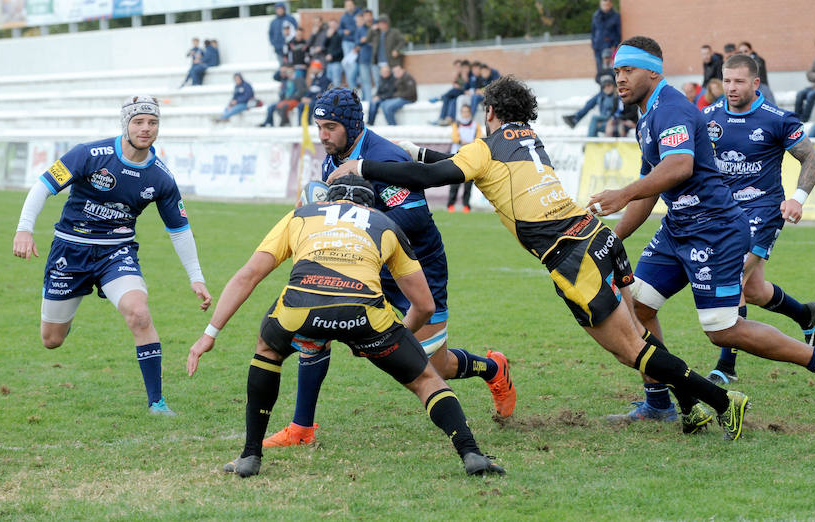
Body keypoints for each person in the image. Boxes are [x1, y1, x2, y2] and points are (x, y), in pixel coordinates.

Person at [328, 76, 754, 441]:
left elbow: (438, 176)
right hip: (598, 237)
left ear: (490, 111)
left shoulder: (486, 147)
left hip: (570, 255)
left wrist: (363, 167)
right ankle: (689, 408)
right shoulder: (527, 140)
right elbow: (471, 169)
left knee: (631, 350)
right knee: (639, 336)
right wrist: (418, 152)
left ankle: (721, 401)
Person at [585, 36, 815, 424]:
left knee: (721, 328)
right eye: (617, 71)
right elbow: (652, 185)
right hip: (678, 226)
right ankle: (658, 401)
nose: (620, 78)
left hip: (715, 229)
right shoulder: (647, 116)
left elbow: (679, 168)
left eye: (629, 70)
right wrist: (612, 238)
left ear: (653, 71)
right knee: (637, 305)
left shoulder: (671, 107)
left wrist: (621, 194)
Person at [186, 174, 505, 478]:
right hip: (365, 313)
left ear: (330, 198)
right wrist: (397, 340)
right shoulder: (385, 224)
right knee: (425, 381)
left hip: (301, 308)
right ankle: (471, 453)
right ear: (370, 204)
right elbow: (424, 305)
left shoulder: (302, 215)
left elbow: (248, 275)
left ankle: (250, 455)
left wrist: (208, 335)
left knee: (267, 350)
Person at [262, 88, 514, 448]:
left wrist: (364, 221)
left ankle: (493, 369)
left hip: (416, 266)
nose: (323, 136)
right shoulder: (333, 157)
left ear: (351, 124)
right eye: (319, 127)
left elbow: (414, 217)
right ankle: (302, 428)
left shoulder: (386, 157)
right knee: (315, 329)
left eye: (330, 127)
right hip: (364, 265)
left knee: (433, 366)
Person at [12, 96, 212, 416]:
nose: (146, 128)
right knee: (52, 340)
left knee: (139, 313)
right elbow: (43, 186)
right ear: (126, 125)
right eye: (139, 122)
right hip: (70, 249)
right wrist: (24, 229)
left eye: (152, 122)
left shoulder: (160, 177)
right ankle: (66, 303)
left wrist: (196, 277)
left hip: (116, 252)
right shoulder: (89, 154)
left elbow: (179, 229)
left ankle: (156, 403)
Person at [702, 54, 815, 384]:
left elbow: (811, 160)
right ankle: (805, 313)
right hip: (725, 215)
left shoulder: (777, 119)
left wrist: (797, 199)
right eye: (727, 80)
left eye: (739, 81)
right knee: (755, 290)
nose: (731, 87)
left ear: (756, 83)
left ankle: (725, 367)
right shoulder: (708, 117)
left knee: (734, 275)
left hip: (763, 211)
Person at [447, 104, 484, 212]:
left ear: (470, 113)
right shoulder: (457, 124)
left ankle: (466, 205)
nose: (465, 114)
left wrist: (470, 144)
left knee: (468, 183)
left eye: (467, 112)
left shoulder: (475, 125)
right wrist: (463, 142)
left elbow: (479, 138)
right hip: (457, 155)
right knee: (454, 182)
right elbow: (454, 138)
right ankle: (451, 204)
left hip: (470, 156)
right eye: (463, 112)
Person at [431, 59, 470, 126]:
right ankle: (443, 119)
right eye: (456, 67)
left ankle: (440, 97)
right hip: (456, 95)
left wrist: (461, 85)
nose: (458, 68)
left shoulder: (467, 74)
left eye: (459, 66)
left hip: (462, 94)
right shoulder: (458, 75)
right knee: (450, 100)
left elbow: (466, 88)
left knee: (451, 93)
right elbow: (454, 84)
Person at [590, 0, 621, 80]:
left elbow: (618, 33)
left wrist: (615, 45)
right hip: (598, 47)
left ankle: (612, 86)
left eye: (607, 5)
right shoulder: (596, 15)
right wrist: (593, 44)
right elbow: (593, 31)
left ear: (611, 5)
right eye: (603, 5)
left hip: (610, 47)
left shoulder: (615, 16)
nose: (605, 7)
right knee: (600, 68)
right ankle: (602, 87)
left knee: (611, 69)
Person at [323, 19, 345, 87]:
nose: (332, 27)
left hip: (337, 62)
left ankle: (337, 97)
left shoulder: (340, 35)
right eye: (331, 25)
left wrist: (332, 55)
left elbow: (342, 49)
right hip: (329, 63)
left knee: (336, 83)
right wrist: (327, 37)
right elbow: (324, 46)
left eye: (334, 25)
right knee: (329, 84)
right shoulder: (328, 35)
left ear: (337, 25)